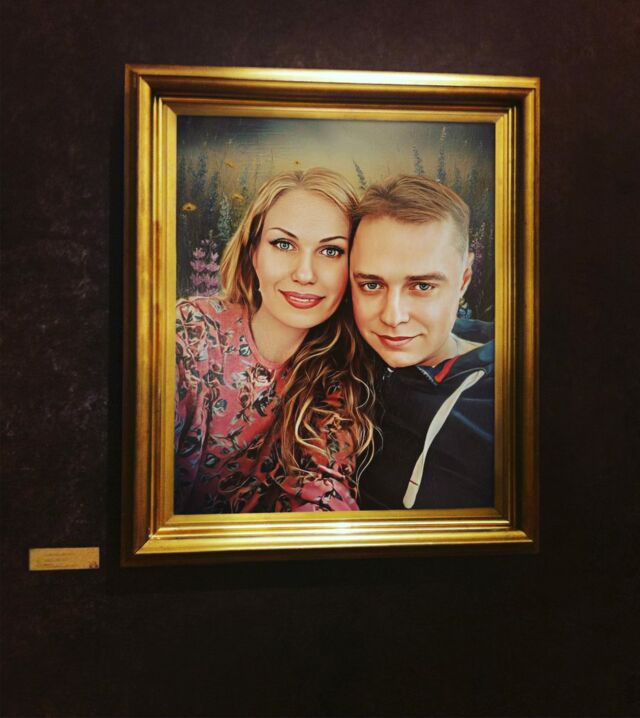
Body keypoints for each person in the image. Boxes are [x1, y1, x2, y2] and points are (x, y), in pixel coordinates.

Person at [175, 168, 376, 514]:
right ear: (253, 252)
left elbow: (325, 495)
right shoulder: (190, 333)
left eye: (331, 251)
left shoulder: (343, 374)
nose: (304, 273)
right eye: (284, 244)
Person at [349, 175, 494, 509]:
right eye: (372, 285)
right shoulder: (335, 353)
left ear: (464, 280)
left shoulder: (506, 402)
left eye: (423, 286)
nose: (393, 316)